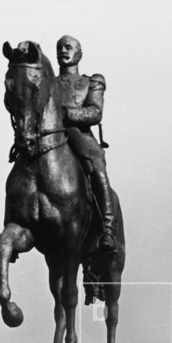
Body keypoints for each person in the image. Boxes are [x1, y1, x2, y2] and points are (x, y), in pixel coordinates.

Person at [56, 35, 118, 254]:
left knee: (97, 168)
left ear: (78, 53)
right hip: (50, 135)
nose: (64, 50)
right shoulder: (47, 84)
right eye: (60, 47)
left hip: (80, 136)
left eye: (69, 47)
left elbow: (94, 111)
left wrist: (66, 113)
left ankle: (107, 229)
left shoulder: (91, 81)